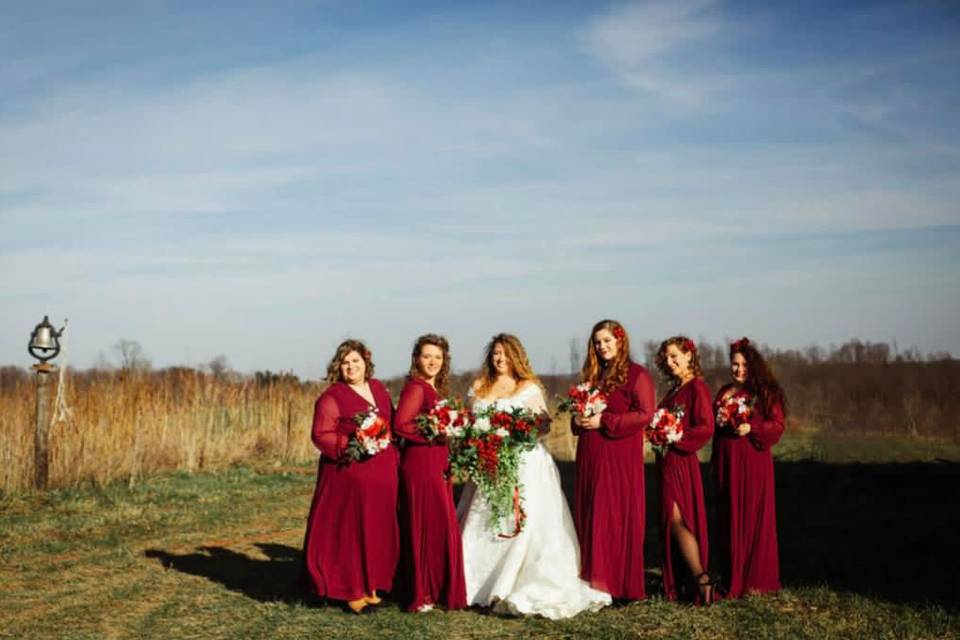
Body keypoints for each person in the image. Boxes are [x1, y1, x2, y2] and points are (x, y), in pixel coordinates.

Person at [457, 333, 611, 619]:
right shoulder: (479, 386)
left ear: (517, 356)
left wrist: (518, 432)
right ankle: (477, 584)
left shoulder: (527, 387)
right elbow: (470, 423)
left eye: (505, 354)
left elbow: (543, 426)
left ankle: (514, 582)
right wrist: (480, 440)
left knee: (524, 521)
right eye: (496, 354)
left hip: (524, 463)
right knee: (486, 519)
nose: (500, 359)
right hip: (490, 462)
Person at [301, 340, 399, 614]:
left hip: (382, 474)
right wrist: (355, 442)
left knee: (376, 529)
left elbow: (389, 424)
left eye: (355, 361)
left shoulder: (379, 389)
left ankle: (372, 586)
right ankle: (351, 590)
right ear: (338, 367)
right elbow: (321, 434)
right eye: (345, 363)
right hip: (348, 475)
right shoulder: (332, 397)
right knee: (352, 531)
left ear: (366, 362)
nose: (351, 367)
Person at [572, 319, 655, 601]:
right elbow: (579, 409)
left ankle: (620, 584)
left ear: (620, 341)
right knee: (591, 512)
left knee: (615, 514)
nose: (602, 346)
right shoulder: (593, 376)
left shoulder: (637, 375)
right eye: (597, 342)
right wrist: (578, 418)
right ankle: (594, 581)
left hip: (619, 456)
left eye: (607, 340)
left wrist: (604, 420)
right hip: (590, 454)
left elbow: (644, 414)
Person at [392, 334, 467, 612]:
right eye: (427, 356)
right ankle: (422, 592)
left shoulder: (435, 389)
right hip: (421, 464)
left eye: (438, 356)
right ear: (417, 359)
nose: (432, 361)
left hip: (437, 463)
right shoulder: (416, 387)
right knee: (425, 525)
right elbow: (401, 425)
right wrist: (435, 431)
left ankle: (436, 588)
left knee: (439, 524)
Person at [712, 337, 785, 598]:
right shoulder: (723, 393)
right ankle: (732, 575)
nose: (739, 369)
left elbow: (777, 426)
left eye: (744, 364)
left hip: (753, 464)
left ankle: (756, 580)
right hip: (726, 462)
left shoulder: (765, 394)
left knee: (752, 516)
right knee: (728, 516)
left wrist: (751, 427)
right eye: (735, 364)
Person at [654, 336, 715, 604]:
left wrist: (676, 437)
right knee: (671, 520)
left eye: (675, 355)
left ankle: (703, 580)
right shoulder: (673, 391)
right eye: (666, 357)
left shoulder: (696, 388)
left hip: (680, 461)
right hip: (666, 461)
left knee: (677, 519)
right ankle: (687, 581)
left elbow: (705, 427)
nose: (670, 361)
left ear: (690, 355)